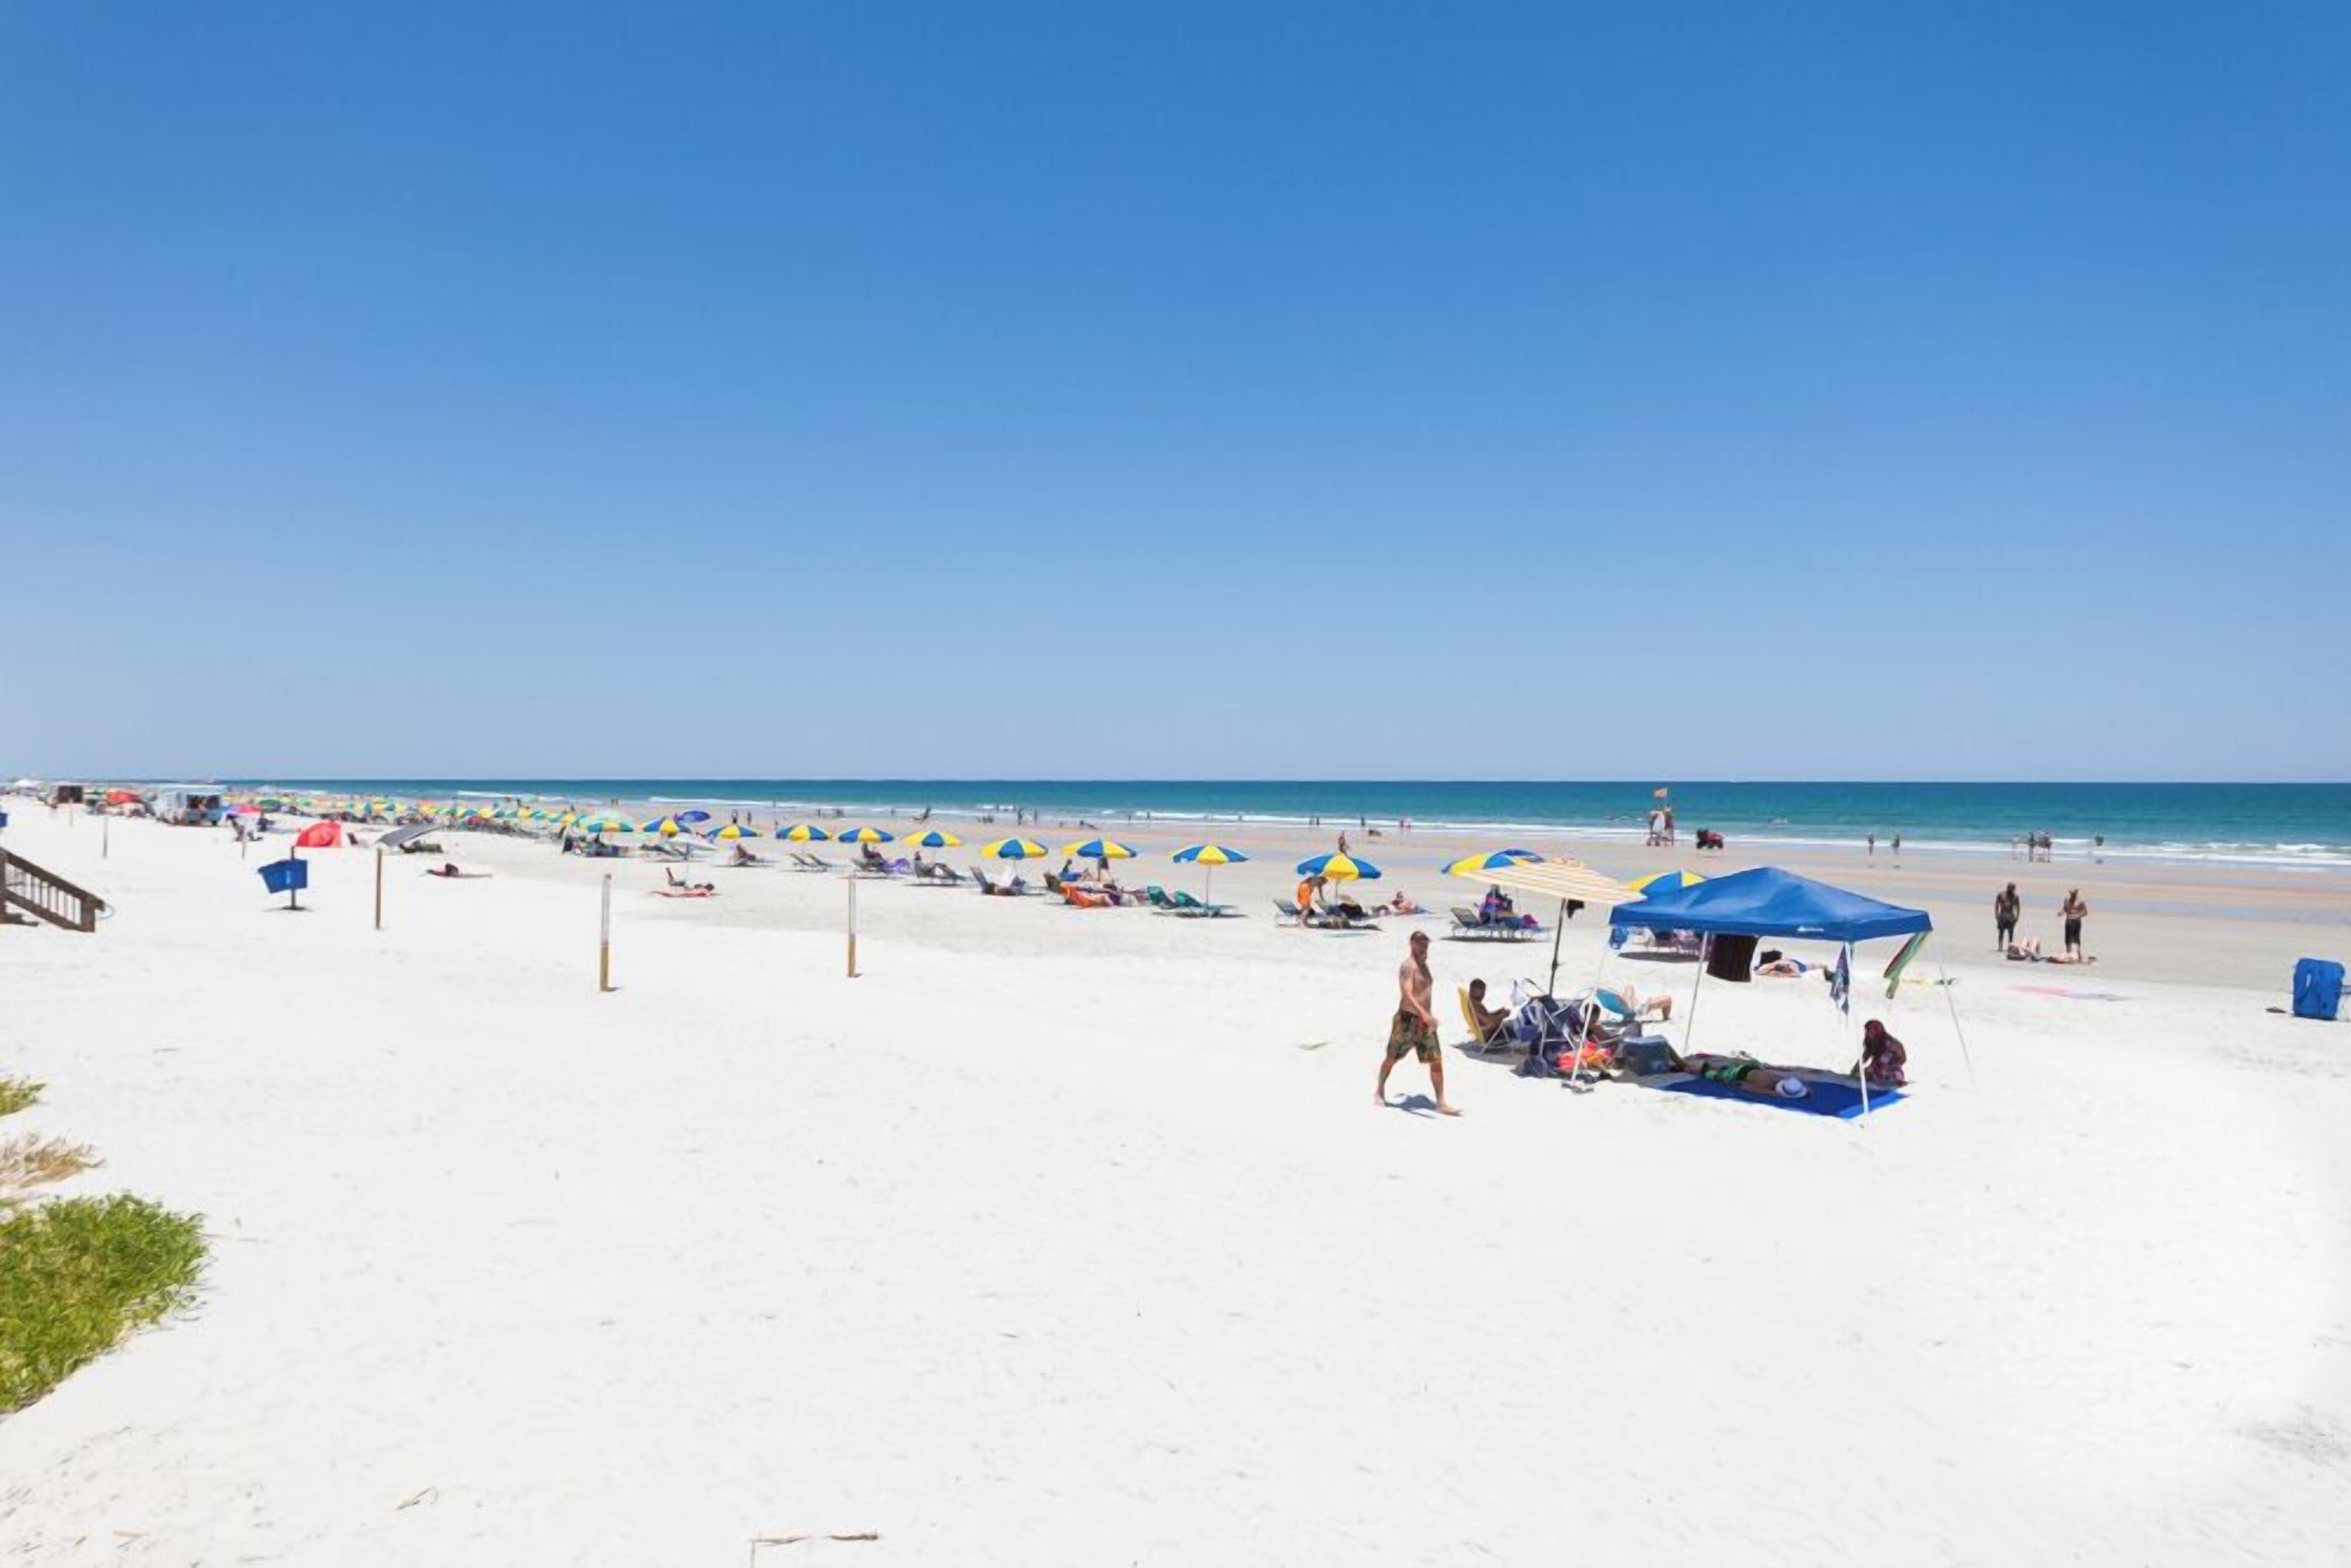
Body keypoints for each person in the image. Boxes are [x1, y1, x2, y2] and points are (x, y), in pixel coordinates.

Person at [1378, 930, 1458, 1114]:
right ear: (1412, 943)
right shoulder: (1409, 966)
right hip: (1407, 1020)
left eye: (1427, 943)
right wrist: (1424, 1014)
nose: (1425, 946)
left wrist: (1426, 1016)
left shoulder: (1424, 966)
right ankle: (1380, 1090)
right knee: (1391, 1058)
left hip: (1425, 1022)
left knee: (1436, 1061)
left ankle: (1440, 1102)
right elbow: (1407, 993)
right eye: (1421, 943)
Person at [1854, 1020, 1908, 1087]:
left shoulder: (1887, 1042)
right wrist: (1856, 1069)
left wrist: (1873, 1067)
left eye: (1869, 1030)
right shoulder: (1870, 1040)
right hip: (1881, 1064)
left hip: (1893, 1065)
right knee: (1868, 1071)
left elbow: (1883, 1057)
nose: (1867, 1033)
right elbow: (1866, 1055)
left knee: (1878, 1069)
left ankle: (1895, 1080)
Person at [1465, 978, 1511, 1044]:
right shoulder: (1475, 1007)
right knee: (1513, 1028)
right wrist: (1501, 1016)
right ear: (1474, 991)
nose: (1484, 994)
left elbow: (1484, 1017)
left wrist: (1497, 1012)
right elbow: (1490, 1023)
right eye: (1482, 992)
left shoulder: (1471, 1003)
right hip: (1490, 1035)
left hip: (1484, 1030)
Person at [2061, 888, 2088, 960]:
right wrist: (2062, 912)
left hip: (2077, 922)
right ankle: (2069, 953)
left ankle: (2078, 954)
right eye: (2071, 894)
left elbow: (2085, 912)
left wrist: (2077, 915)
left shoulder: (2081, 902)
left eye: (2074, 894)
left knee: (2077, 938)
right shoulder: (2067, 901)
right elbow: (2065, 909)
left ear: (2076, 894)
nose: (2072, 895)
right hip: (2069, 922)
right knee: (2068, 938)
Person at [1994, 882, 2021, 951]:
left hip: (2011, 917)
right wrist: (1997, 915)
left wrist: (2017, 917)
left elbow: (2018, 907)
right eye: (2010, 888)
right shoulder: (2001, 895)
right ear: (2007, 888)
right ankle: (2000, 947)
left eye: (2013, 889)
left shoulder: (2015, 897)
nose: (2011, 890)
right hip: (2002, 916)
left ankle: (2010, 948)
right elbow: (1997, 905)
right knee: (2001, 933)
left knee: (2011, 933)